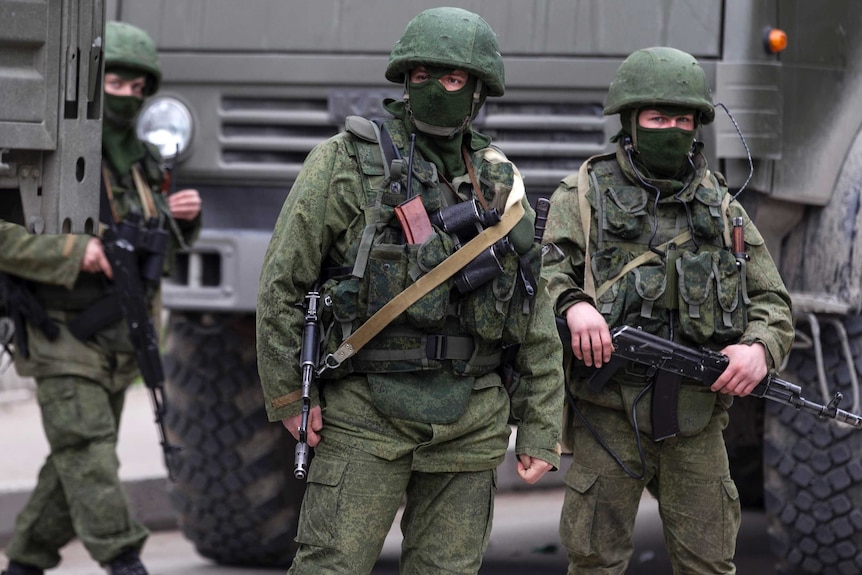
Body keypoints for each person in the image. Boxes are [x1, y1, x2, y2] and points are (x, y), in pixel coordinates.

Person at [256, 7, 563, 575]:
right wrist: (287, 397)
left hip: (471, 416)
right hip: (366, 413)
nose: (435, 90)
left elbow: (533, 309)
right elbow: (283, 284)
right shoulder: (343, 163)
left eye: (452, 80)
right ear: (403, 80)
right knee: (331, 565)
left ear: (477, 92)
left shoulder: (500, 180)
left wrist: (542, 426)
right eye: (422, 76)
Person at [541, 46, 794, 574]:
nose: (672, 129)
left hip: (696, 422)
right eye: (658, 117)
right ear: (631, 122)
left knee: (709, 563)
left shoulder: (724, 209)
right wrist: (573, 305)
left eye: (683, 119)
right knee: (594, 562)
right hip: (607, 415)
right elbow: (545, 274)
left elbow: (772, 302)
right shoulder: (584, 193)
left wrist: (759, 350)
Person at [1, 21, 201, 575]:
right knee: (87, 455)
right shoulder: (41, 155)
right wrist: (71, 252)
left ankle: (23, 565)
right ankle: (125, 561)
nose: (127, 97)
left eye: (138, 89)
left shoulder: (140, 162)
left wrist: (179, 217)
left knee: (77, 462)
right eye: (115, 83)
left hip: (120, 339)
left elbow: (155, 248)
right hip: (60, 334)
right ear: (88, 82)